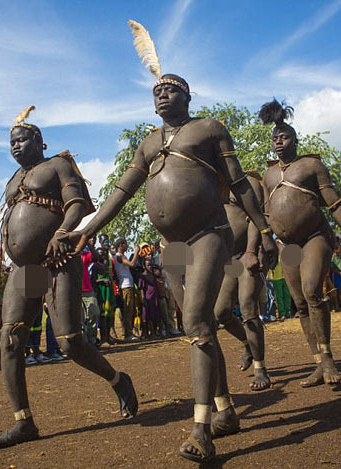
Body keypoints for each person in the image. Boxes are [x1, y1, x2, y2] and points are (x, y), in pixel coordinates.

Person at [61, 25, 277, 462]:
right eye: (157, 90)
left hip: (209, 236)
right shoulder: (148, 143)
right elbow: (120, 194)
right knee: (198, 327)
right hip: (171, 246)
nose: (162, 94)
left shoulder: (209, 129)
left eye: (171, 88)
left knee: (198, 321)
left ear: (188, 97)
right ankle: (224, 409)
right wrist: (88, 230)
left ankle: (202, 431)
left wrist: (266, 230)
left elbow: (239, 184)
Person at [0, 105, 137, 449]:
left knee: (70, 341)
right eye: (11, 142)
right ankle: (23, 421)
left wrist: (62, 231)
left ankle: (118, 380)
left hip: (56, 262)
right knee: (9, 339)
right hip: (26, 270)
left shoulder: (57, 164)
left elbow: (79, 204)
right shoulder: (14, 181)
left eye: (22, 139)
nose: (15, 146)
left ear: (39, 140)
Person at [258, 99, 341, 388]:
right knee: (301, 303)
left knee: (312, 290)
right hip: (286, 245)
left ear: (295, 139)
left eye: (285, 137)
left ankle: (328, 358)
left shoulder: (311, 165)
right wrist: (264, 243)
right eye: (275, 138)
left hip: (315, 237)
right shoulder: (268, 174)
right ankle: (317, 362)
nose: (279, 142)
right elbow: (265, 213)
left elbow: (334, 202)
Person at [213, 171, 271, 390]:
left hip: (247, 254)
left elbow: (257, 216)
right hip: (228, 260)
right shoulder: (213, 183)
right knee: (221, 313)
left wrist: (251, 250)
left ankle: (260, 368)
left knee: (248, 306)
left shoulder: (248, 182)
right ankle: (247, 343)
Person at [113, 239, 140, 342]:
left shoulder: (119, 256)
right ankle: (127, 333)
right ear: (121, 245)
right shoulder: (119, 256)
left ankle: (129, 332)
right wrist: (136, 252)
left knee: (130, 309)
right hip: (125, 286)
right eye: (125, 244)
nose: (127, 246)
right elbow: (132, 264)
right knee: (128, 309)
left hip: (128, 285)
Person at [91, 247, 115, 345]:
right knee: (102, 315)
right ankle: (103, 337)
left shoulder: (108, 264)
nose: (103, 255)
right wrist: (102, 281)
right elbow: (92, 280)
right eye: (100, 254)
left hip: (109, 290)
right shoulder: (96, 265)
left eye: (104, 253)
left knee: (109, 314)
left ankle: (108, 336)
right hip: (101, 291)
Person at [79, 243, 101, 345]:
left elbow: (96, 257)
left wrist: (88, 243)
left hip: (87, 289)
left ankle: (91, 341)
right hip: (74, 291)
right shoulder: (68, 256)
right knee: (79, 318)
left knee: (94, 313)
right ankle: (82, 343)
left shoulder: (84, 254)